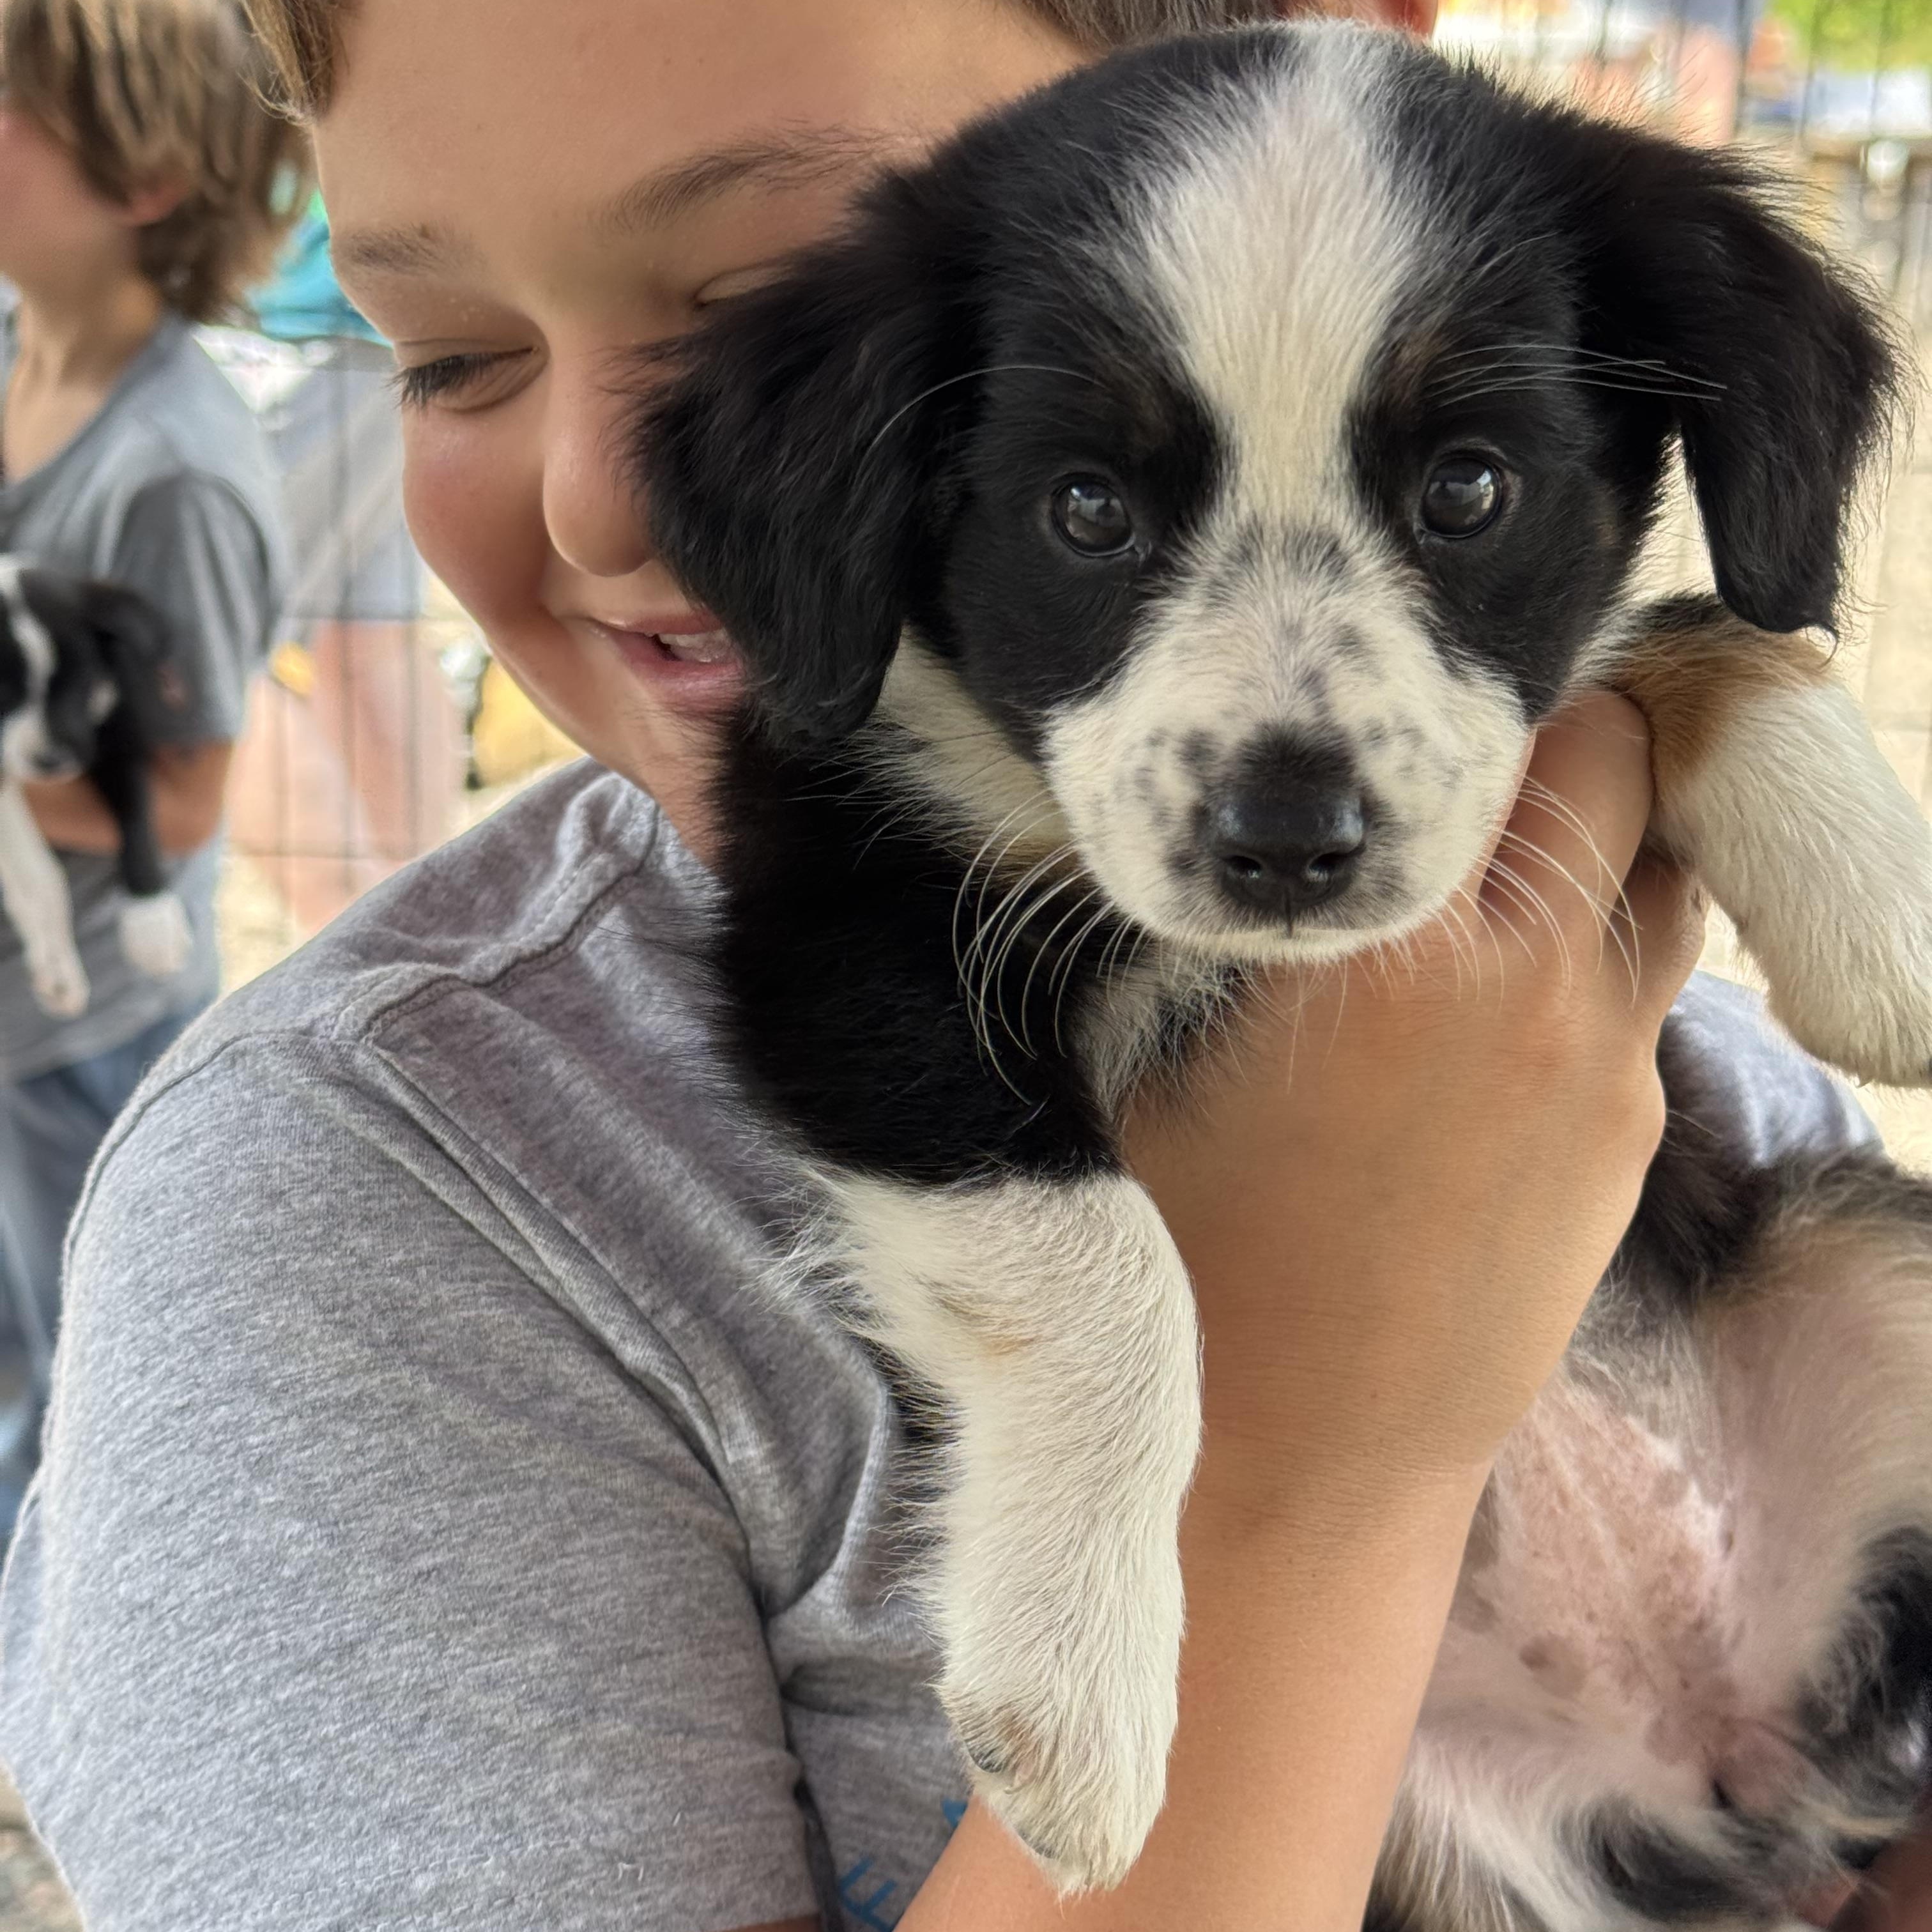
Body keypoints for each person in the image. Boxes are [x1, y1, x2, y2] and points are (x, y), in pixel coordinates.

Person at [0, 2, 1916, 1929]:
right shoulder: (347, 1234)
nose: (609, 498)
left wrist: (1730, 696)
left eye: (752, 293)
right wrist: (1310, 1469)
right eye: (452, 354)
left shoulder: (1658, 1017)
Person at [0, 0, 303, 1535]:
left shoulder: (173, 474)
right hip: (14, 1002)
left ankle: (47, 1707)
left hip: (89, 1026)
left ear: (143, 181)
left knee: (84, 1382)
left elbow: (179, 804)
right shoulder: (10, 348)